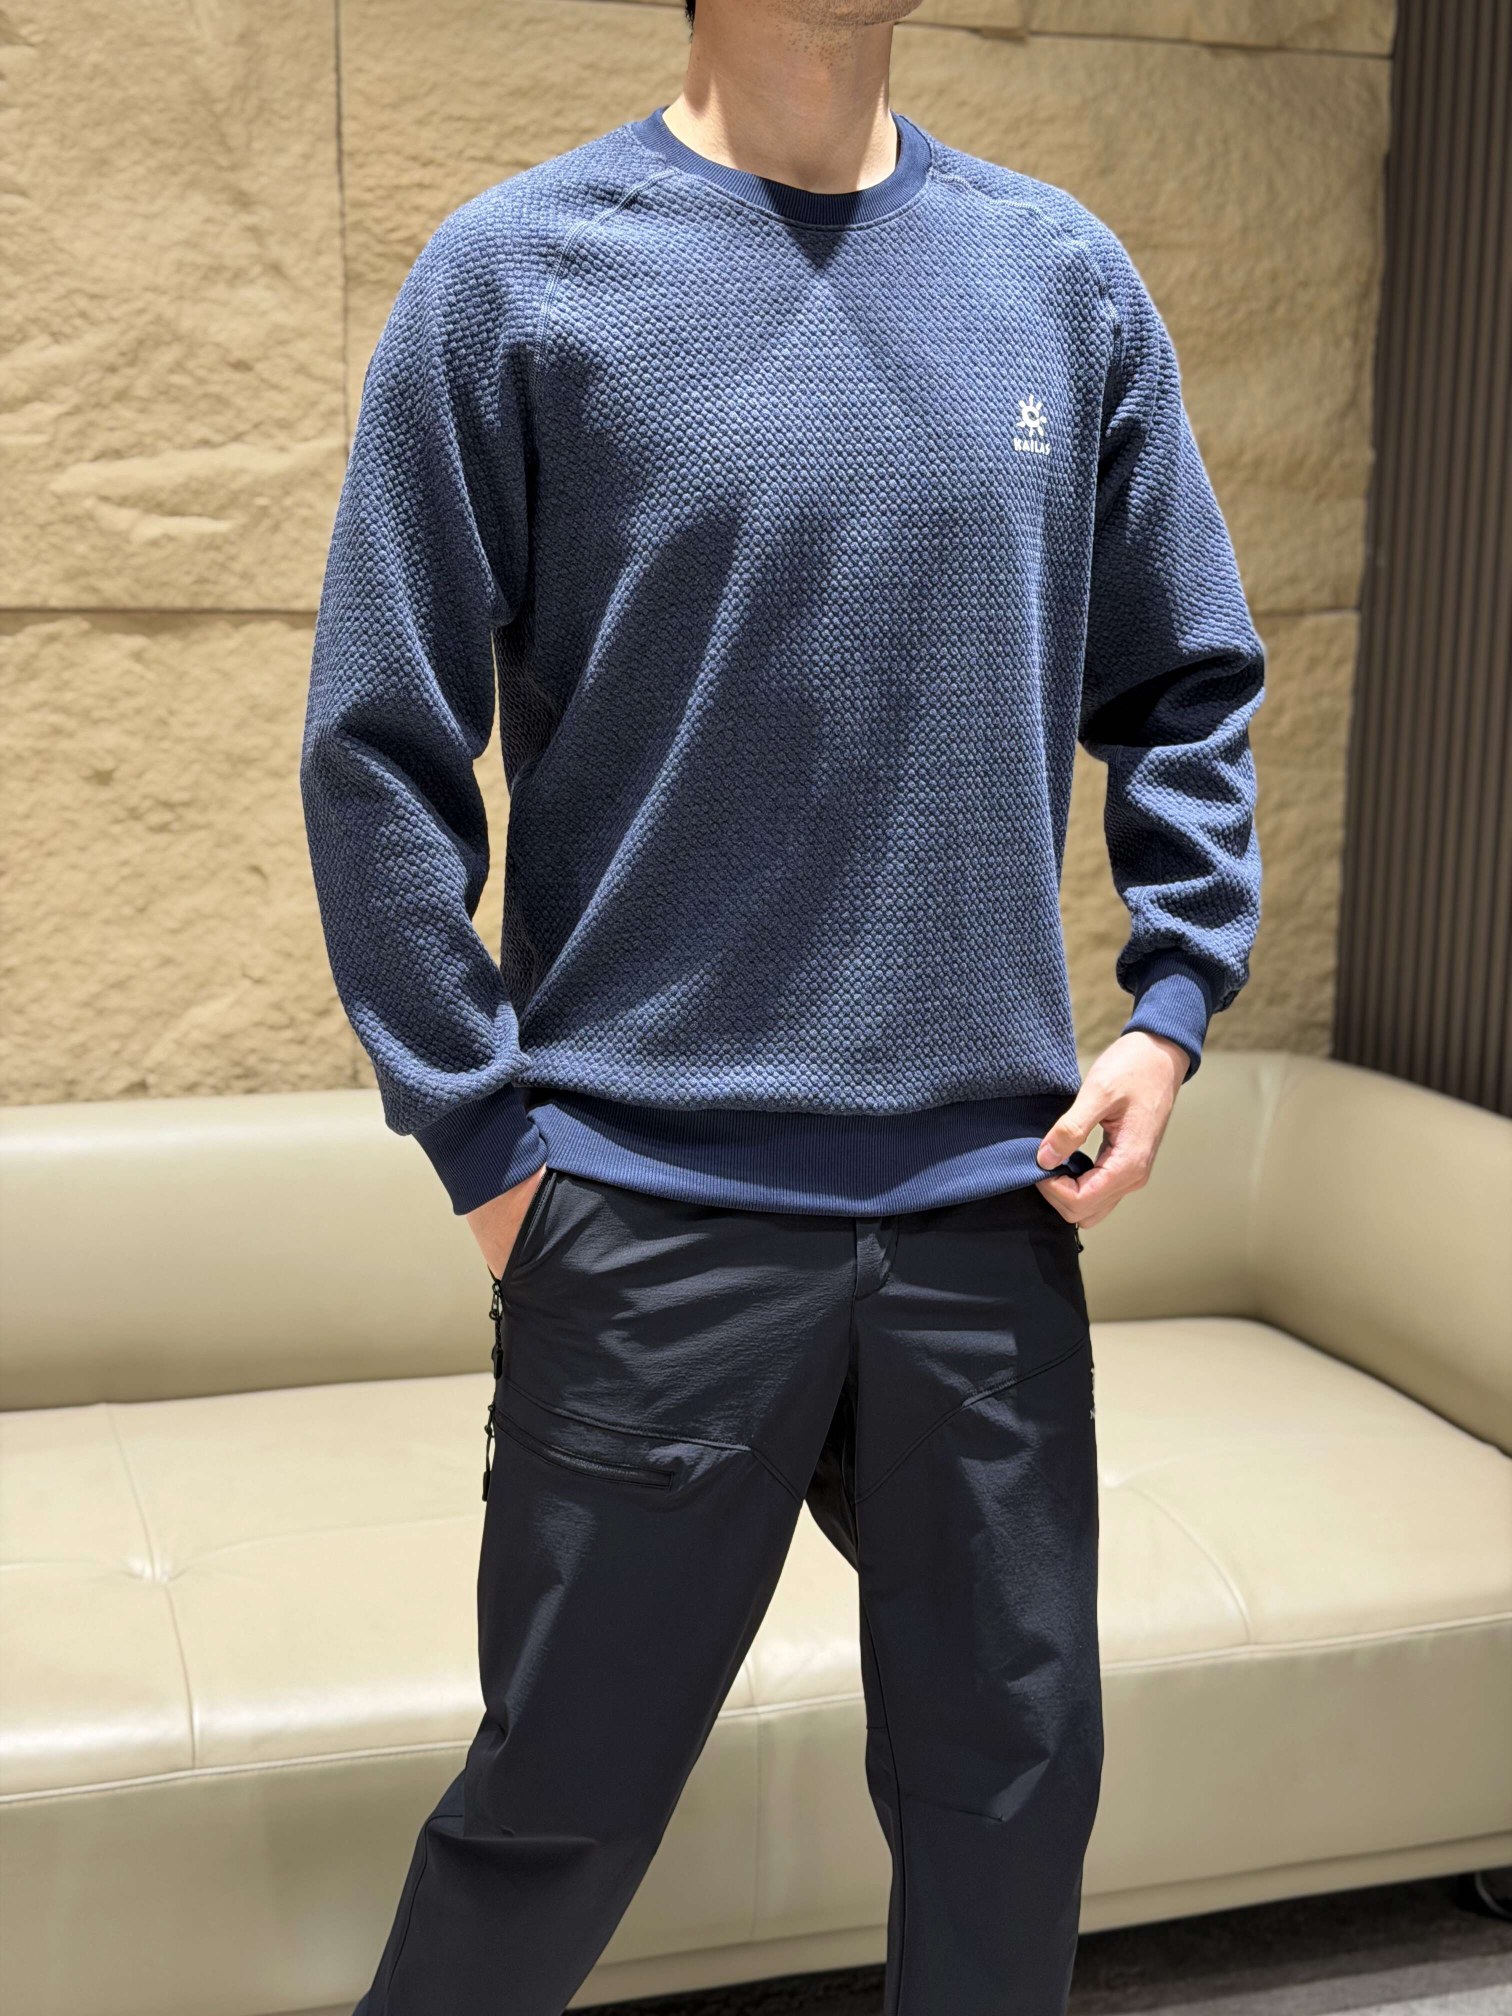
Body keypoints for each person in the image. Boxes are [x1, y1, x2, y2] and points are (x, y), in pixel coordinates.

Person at [299, 0, 1264, 2008]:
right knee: (551, 1822)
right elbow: (378, 749)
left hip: (988, 1216)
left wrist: (1171, 1004)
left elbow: (1186, 680)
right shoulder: (516, 278)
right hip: (647, 1225)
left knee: (1014, 1807)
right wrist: (491, 1147)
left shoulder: (1060, 280)